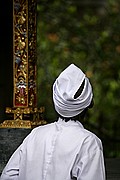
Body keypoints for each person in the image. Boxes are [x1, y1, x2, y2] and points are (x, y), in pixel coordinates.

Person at [0, 64, 106, 180]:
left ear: (56, 102)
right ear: (88, 104)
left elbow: (8, 176)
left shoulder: (35, 134)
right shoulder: (88, 142)